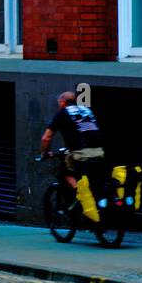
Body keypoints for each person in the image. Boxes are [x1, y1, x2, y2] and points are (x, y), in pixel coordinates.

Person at [40, 90, 106, 224]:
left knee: (65, 172)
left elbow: (46, 138)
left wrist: (45, 152)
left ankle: (81, 198)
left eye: (59, 103)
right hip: (99, 152)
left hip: (80, 153)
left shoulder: (63, 112)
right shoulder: (87, 110)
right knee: (94, 178)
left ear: (63, 102)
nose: (59, 105)